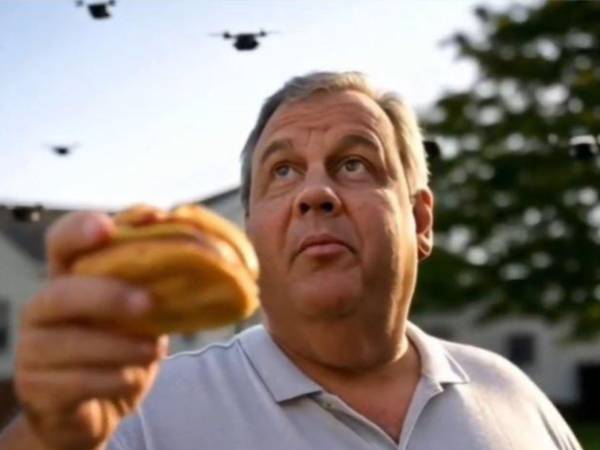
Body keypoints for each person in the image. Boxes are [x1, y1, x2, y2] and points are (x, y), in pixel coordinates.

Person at [0, 72, 582, 449]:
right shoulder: (141, 415)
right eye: (282, 171)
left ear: (421, 220)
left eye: (354, 163)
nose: (315, 192)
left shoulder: (513, 396)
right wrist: (47, 437)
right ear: (250, 231)